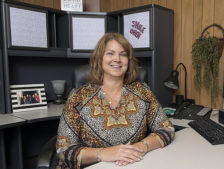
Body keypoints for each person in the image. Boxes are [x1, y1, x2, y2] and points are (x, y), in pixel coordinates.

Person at [56, 32, 175, 168]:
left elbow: (167, 129)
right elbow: (63, 148)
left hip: (133, 163)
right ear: (99, 58)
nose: (117, 59)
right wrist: (103, 153)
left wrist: (141, 147)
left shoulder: (142, 92)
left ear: (129, 61)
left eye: (123, 54)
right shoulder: (78, 97)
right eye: (110, 53)